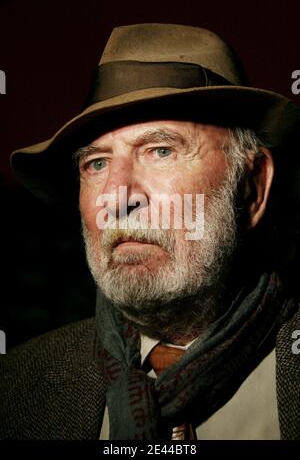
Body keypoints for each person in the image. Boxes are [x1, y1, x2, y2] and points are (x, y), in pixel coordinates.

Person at [1, 23, 300, 440]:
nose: (118, 198)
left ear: (252, 187)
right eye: (97, 163)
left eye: (161, 150)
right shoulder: (14, 391)